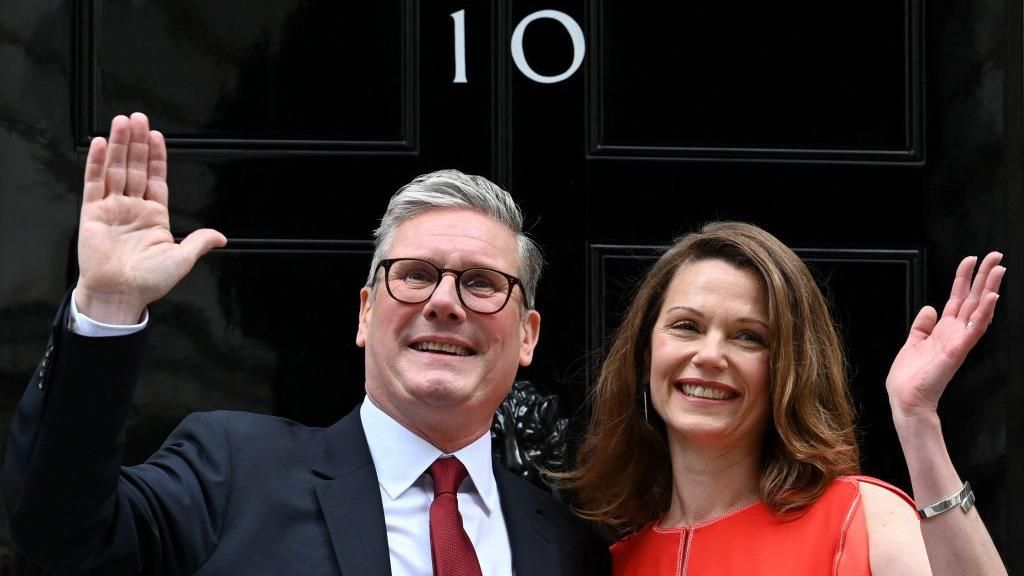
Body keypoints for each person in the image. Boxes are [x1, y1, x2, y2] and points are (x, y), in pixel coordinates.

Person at [1, 113, 610, 575]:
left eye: (481, 283)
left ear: (527, 335)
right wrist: (107, 305)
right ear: (367, 313)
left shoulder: (565, 544)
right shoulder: (231, 470)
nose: (444, 303)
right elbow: (58, 533)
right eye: (415, 275)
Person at [566, 222, 1007, 575]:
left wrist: (916, 420)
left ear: (786, 370)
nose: (711, 355)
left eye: (749, 337)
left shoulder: (858, 518)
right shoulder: (614, 563)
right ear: (645, 356)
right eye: (686, 326)